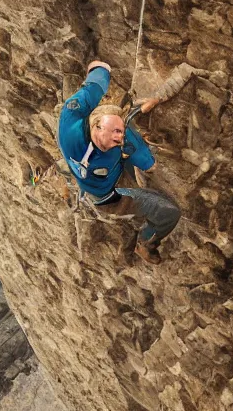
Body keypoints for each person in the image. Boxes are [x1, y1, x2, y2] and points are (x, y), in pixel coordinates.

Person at [58, 60, 181, 264]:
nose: (118, 138)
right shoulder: (124, 143)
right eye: (117, 134)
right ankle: (146, 242)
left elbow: (97, 76)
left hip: (87, 177)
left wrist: (100, 70)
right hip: (109, 196)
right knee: (169, 212)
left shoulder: (70, 115)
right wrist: (141, 114)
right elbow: (150, 165)